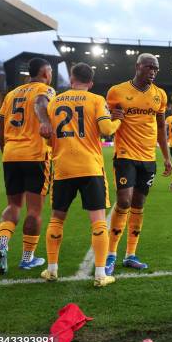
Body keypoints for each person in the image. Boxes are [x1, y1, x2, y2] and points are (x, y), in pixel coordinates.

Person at [41, 63, 121, 287]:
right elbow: (106, 131)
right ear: (91, 83)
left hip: (63, 167)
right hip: (90, 167)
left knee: (57, 219)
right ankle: (100, 275)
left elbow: (49, 138)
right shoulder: (96, 100)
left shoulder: (55, 101)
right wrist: (118, 120)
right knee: (97, 222)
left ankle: (52, 270)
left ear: (71, 79)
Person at [105, 53, 172, 275]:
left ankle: (130, 254)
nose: (153, 71)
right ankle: (110, 253)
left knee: (139, 204)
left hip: (148, 157)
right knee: (123, 201)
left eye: (156, 68)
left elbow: (161, 128)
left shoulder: (159, 95)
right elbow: (106, 120)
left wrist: (166, 156)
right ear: (137, 66)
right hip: (125, 154)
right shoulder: (117, 91)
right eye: (149, 67)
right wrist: (111, 117)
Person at [0, 58, 56, 275]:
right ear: (45, 73)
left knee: (13, 206)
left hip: (11, 155)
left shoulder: (11, 94)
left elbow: (0, 127)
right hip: (35, 155)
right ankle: (27, 258)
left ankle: (2, 245)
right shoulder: (45, 90)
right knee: (35, 210)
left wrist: (6, 150)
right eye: (50, 71)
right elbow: (40, 102)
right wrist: (45, 121)